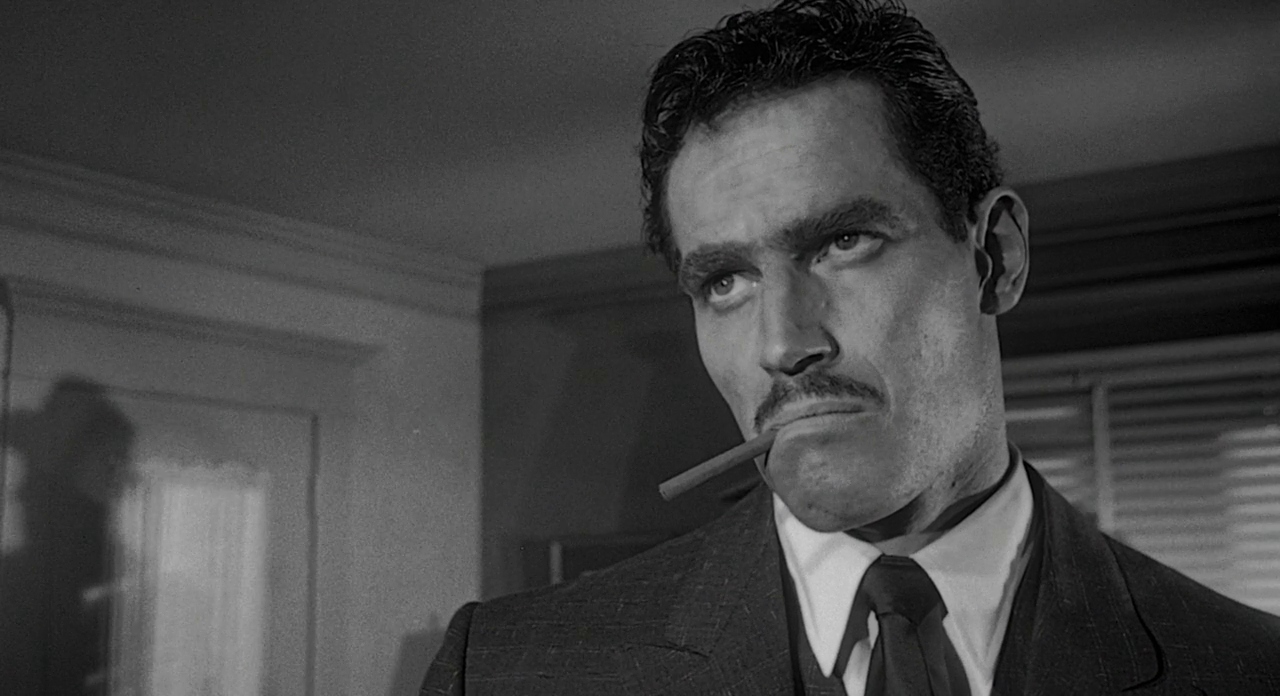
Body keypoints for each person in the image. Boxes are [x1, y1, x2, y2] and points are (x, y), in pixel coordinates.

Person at [421, 1, 1280, 693]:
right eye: (724, 281)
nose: (782, 345)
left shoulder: (1248, 670)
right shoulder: (502, 672)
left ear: (995, 257)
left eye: (843, 243)